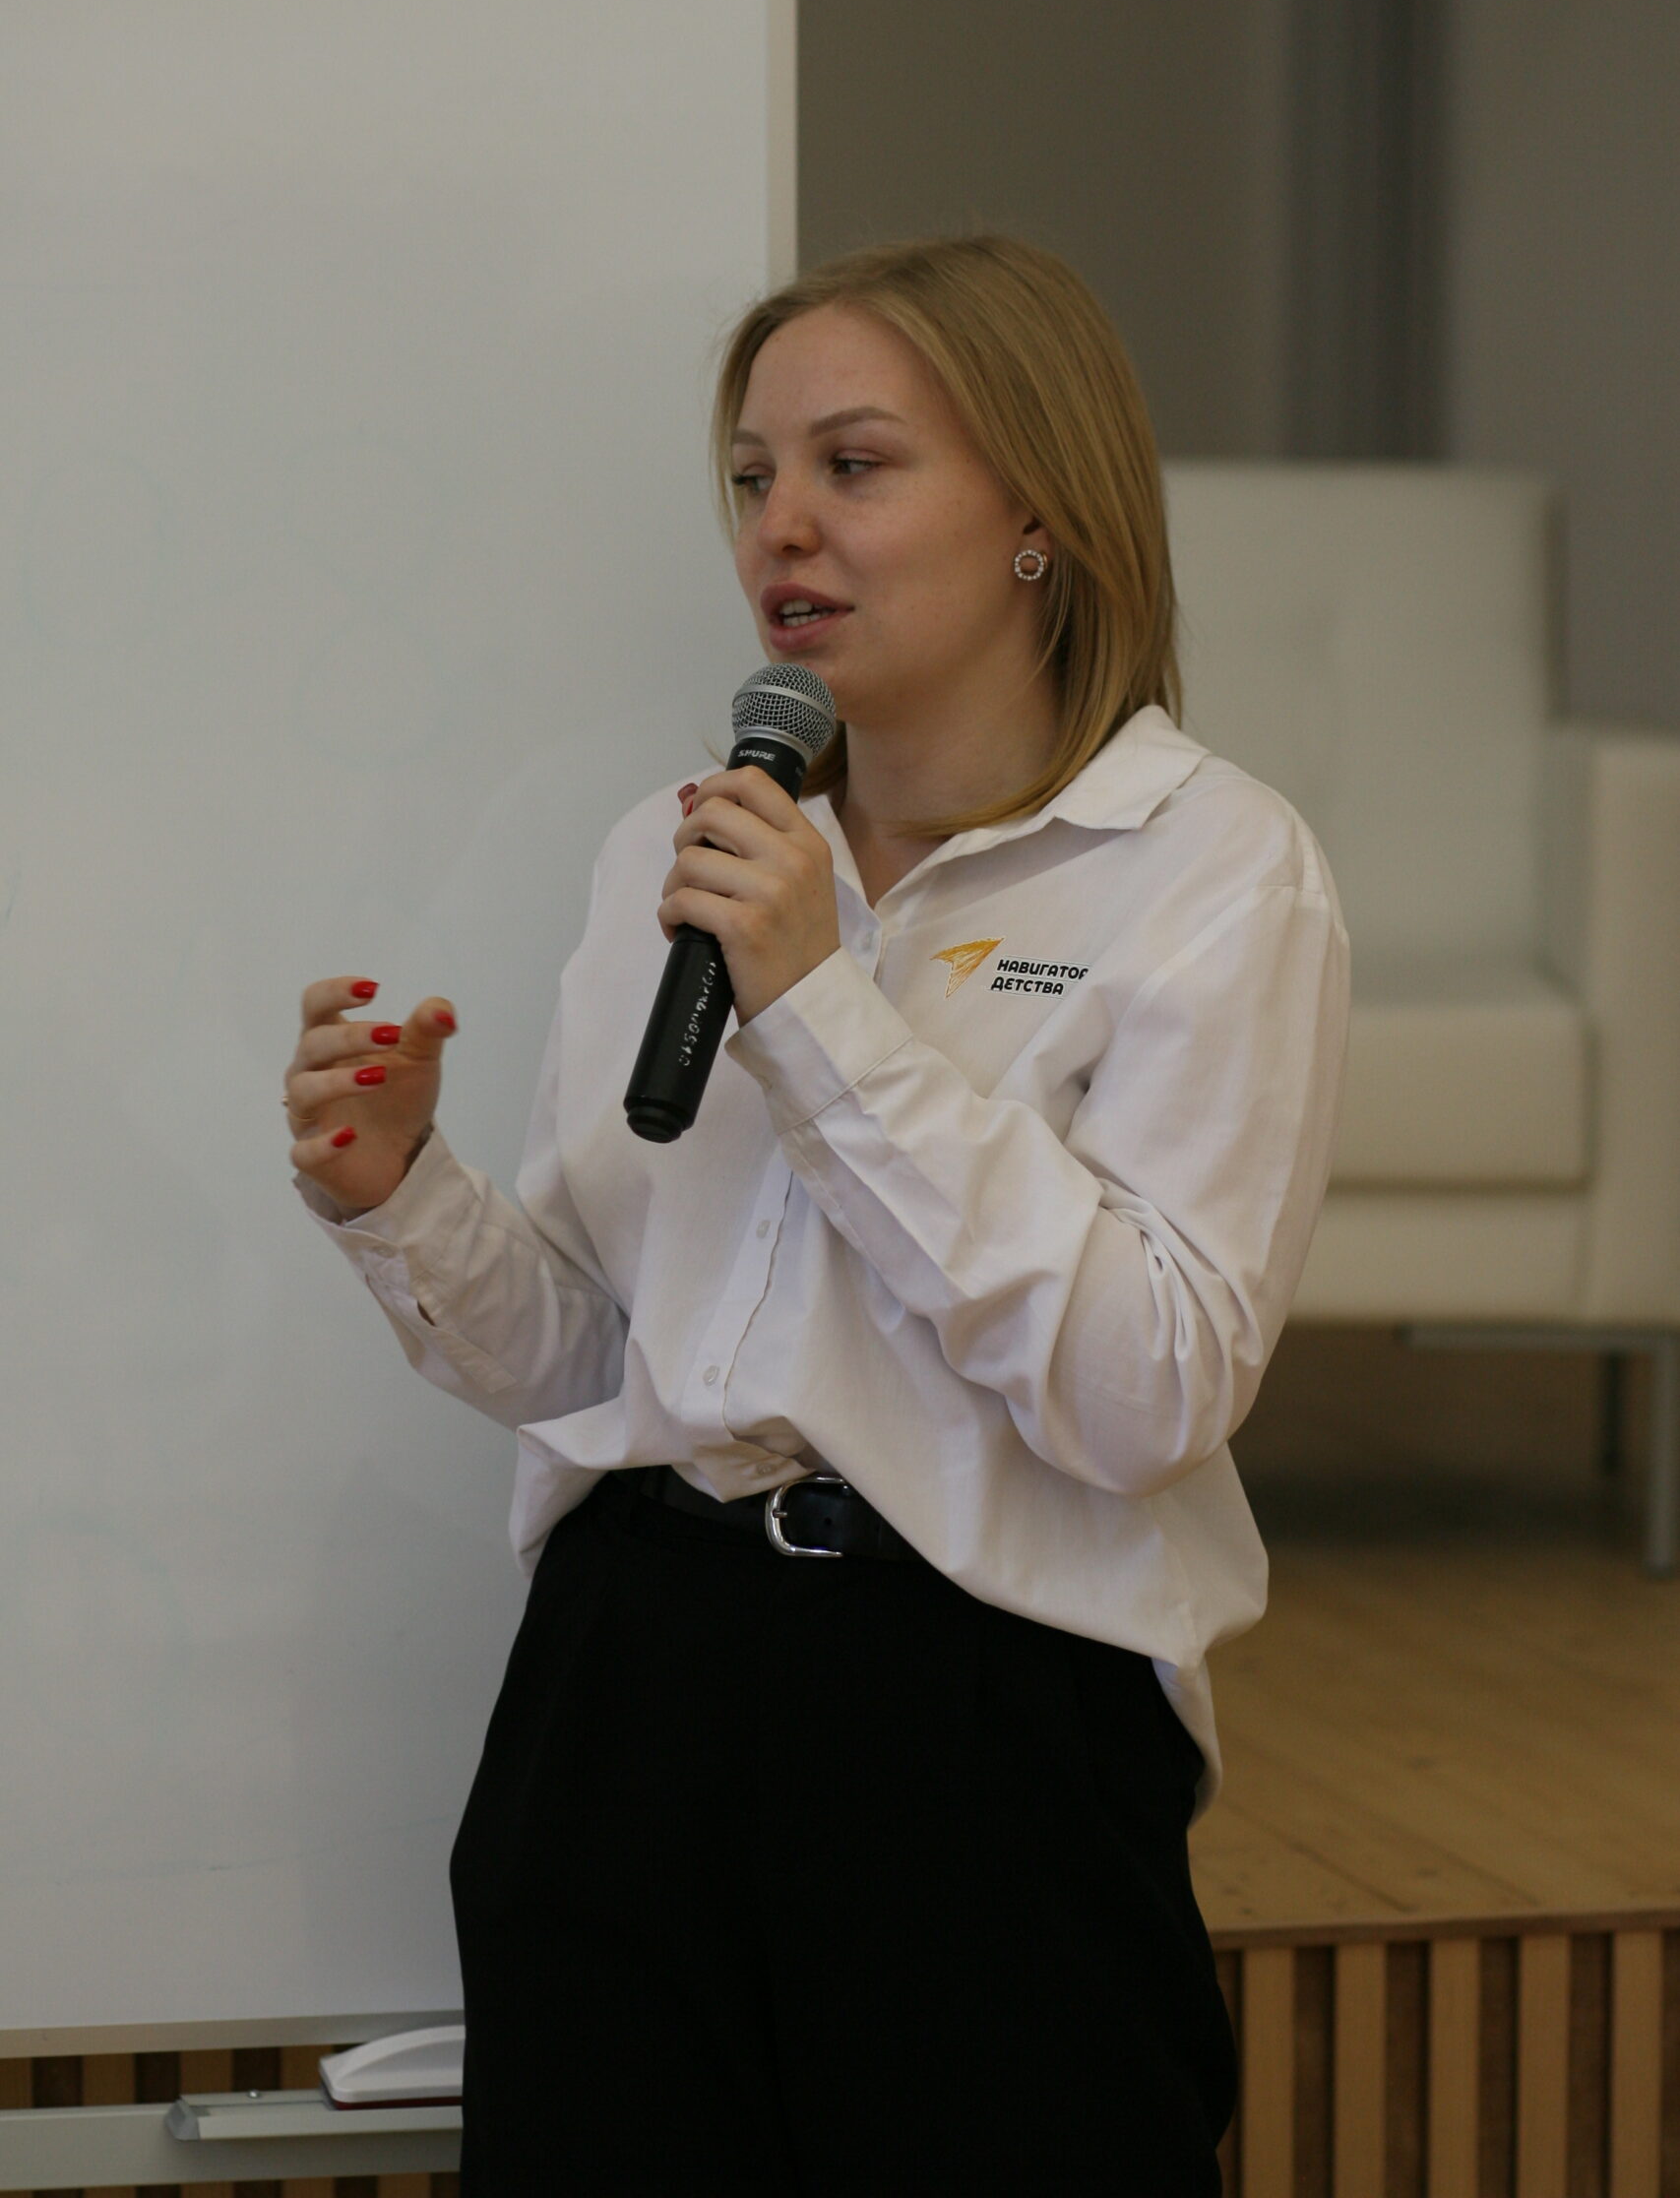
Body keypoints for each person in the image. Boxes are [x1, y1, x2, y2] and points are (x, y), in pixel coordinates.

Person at [284, 232, 1349, 2193]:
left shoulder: (1208, 868)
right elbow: (603, 1358)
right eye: (752, 474)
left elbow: (1148, 1390)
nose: (781, 525)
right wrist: (402, 1196)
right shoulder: (676, 845)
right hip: (625, 1679)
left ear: (1039, 514)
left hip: (982, 1706)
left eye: (852, 465)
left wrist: (822, 1011)